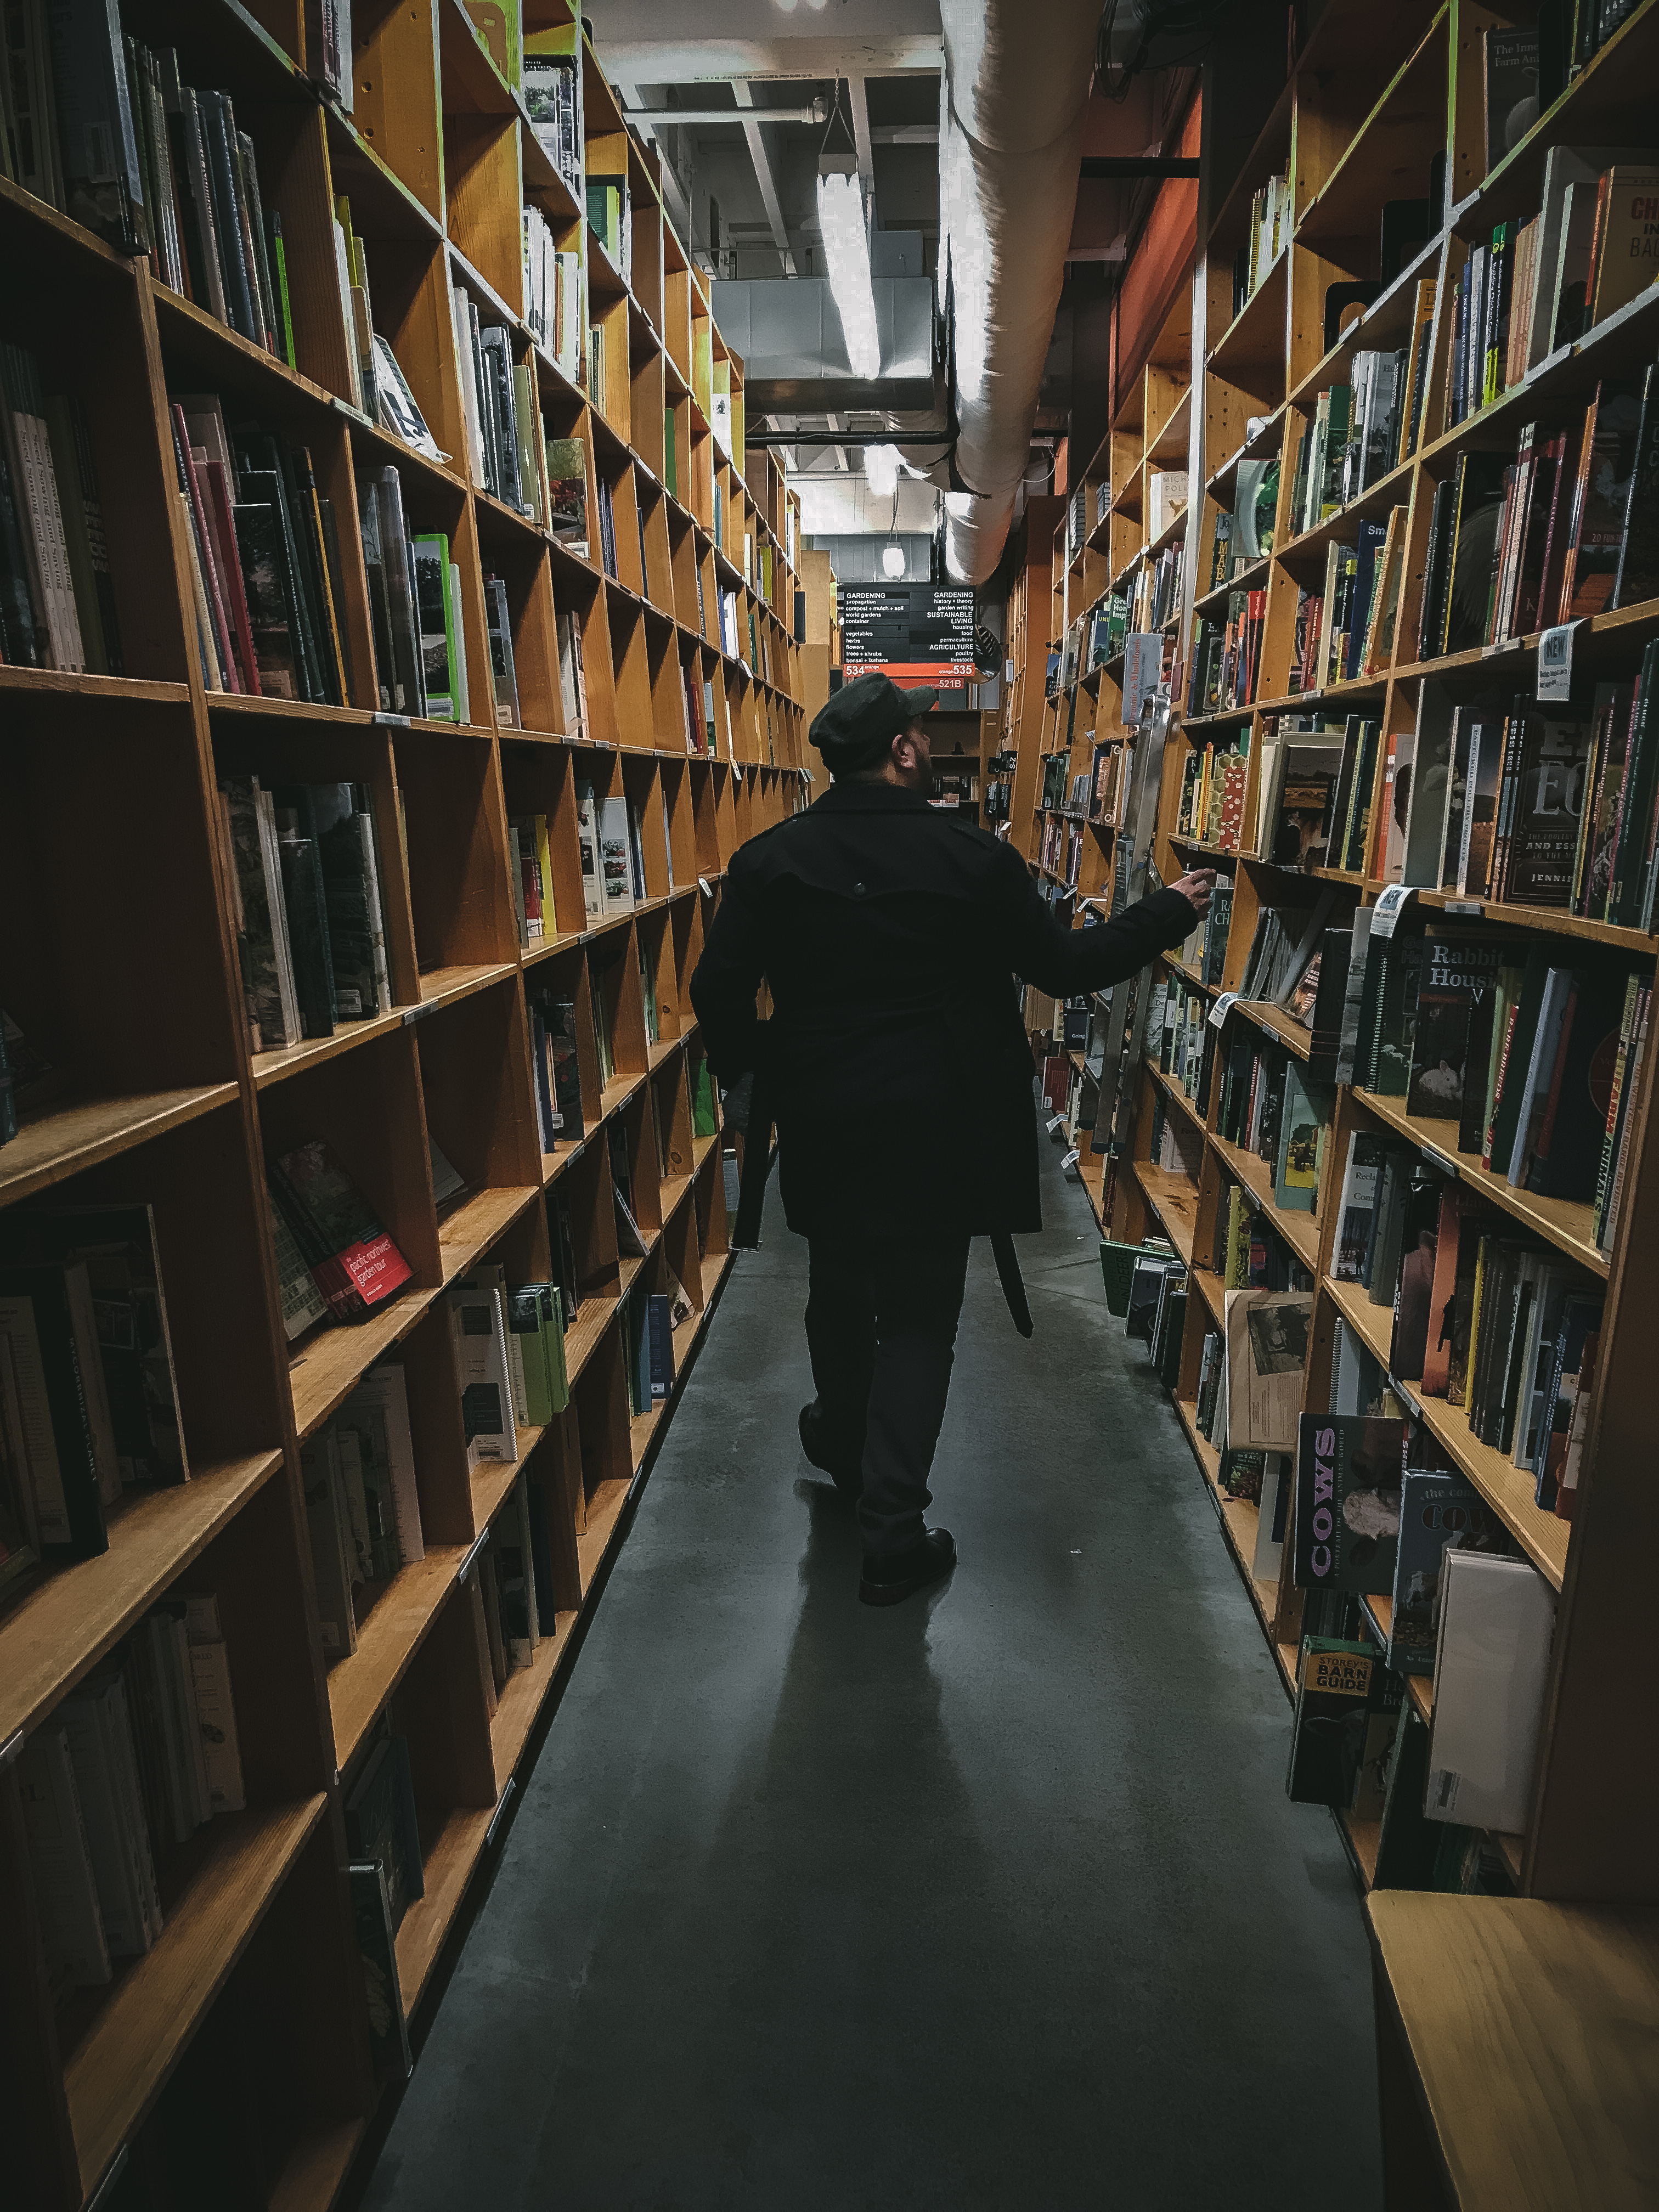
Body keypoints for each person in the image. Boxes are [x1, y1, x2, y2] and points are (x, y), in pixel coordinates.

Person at [689, 672, 1214, 1607]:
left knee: (837, 1296)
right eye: (920, 736)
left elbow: (715, 992)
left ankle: (845, 1450)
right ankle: (891, 1534)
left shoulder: (771, 861)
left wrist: (761, 1067)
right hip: (940, 1129)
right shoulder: (971, 859)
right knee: (918, 1320)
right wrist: (1169, 909)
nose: (928, 746)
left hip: (823, 1124)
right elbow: (1068, 967)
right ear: (901, 751)